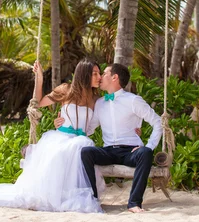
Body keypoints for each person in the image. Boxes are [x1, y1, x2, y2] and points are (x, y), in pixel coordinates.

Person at [0, 59, 105, 213]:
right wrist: (39, 78)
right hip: (60, 138)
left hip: (80, 140)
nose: (99, 77)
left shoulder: (96, 100)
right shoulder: (66, 90)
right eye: (95, 74)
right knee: (65, 152)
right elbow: (38, 102)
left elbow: (91, 126)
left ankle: (69, 194)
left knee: (81, 147)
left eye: (99, 73)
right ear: (84, 75)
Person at [56, 63, 162, 214]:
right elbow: (88, 129)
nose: (100, 78)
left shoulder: (133, 100)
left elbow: (157, 122)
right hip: (109, 151)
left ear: (114, 77)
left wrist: (150, 145)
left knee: (145, 153)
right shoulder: (99, 103)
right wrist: (63, 124)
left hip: (130, 151)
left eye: (104, 73)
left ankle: (134, 203)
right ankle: (93, 200)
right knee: (86, 152)